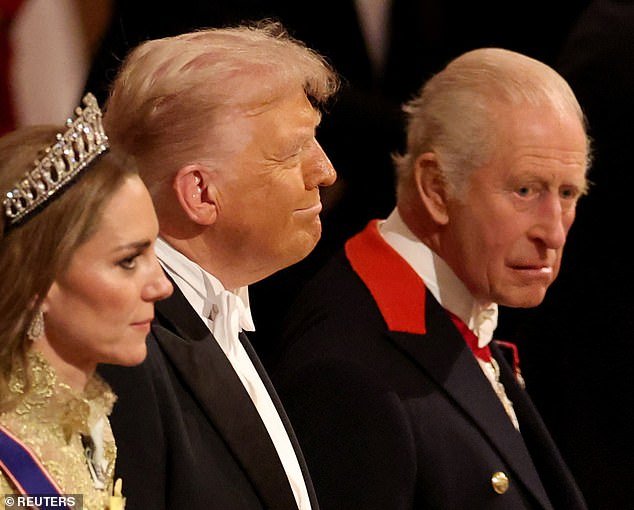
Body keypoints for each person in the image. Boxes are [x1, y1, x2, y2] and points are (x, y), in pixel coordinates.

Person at [270, 48, 590, 509]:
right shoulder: (350, 370)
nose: (554, 232)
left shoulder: (458, 310)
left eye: (568, 193)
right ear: (437, 188)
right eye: (525, 190)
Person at [98, 20, 338, 510]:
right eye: (293, 152)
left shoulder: (219, 309)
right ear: (201, 193)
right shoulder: (129, 352)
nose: (325, 171)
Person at [0, 93, 173, 509]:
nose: (161, 286)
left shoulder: (87, 420)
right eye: (128, 261)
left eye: (155, 251)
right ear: (38, 279)